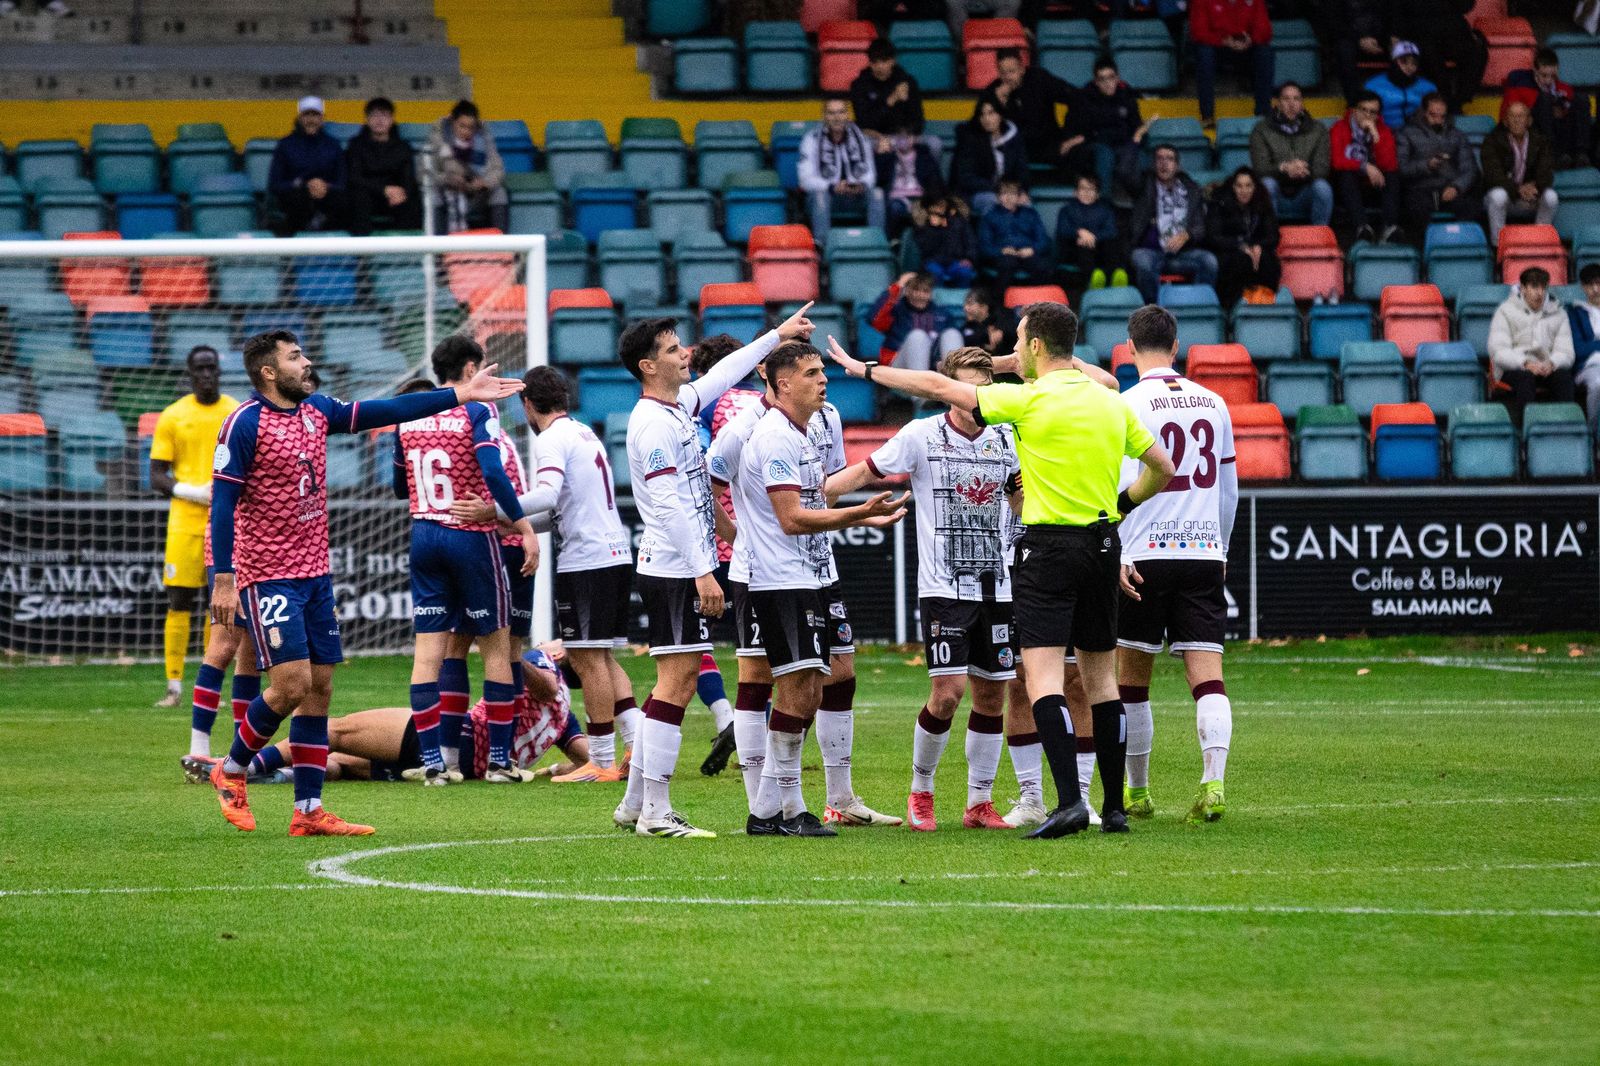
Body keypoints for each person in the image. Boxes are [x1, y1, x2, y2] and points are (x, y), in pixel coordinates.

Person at [826, 303, 1176, 837]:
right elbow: (1162, 465)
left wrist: (866, 370)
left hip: (1045, 551)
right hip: (1098, 544)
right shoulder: (1107, 401)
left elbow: (938, 388)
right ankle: (1112, 809)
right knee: (1099, 684)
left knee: (1040, 681)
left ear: (1034, 345)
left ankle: (1063, 802)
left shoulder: (1025, 405)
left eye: (1018, 341)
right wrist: (1123, 504)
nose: (1011, 350)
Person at [204, 329, 524, 836]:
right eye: (295, 357)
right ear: (269, 372)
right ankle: (232, 766)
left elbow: (385, 411)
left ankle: (309, 810)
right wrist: (224, 577)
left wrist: (461, 394)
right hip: (268, 575)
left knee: (320, 690)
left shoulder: (316, 411)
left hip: (316, 575)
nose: (306, 363)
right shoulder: (244, 422)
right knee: (291, 685)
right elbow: (222, 503)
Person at [614, 305, 816, 838]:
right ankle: (656, 812)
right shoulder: (652, 424)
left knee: (673, 681)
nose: (685, 353)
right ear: (647, 366)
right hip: (674, 567)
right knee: (678, 682)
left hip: (678, 564)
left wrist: (776, 336)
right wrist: (705, 570)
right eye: (671, 349)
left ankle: (635, 803)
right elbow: (668, 505)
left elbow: (725, 373)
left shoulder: (677, 406)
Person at [828, 347, 1024, 831]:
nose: (975, 397)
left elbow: (1021, 500)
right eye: (967, 388)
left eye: (984, 388)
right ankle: (922, 791)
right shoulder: (921, 435)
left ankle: (979, 802)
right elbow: (866, 470)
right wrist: (816, 496)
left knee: (992, 697)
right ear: (947, 390)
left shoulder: (1008, 437)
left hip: (998, 586)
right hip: (944, 587)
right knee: (947, 694)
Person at [706, 351, 902, 827]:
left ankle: (782, 807)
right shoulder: (768, 433)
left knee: (816, 684)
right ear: (781, 383)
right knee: (786, 686)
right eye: (812, 373)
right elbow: (790, 517)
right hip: (775, 577)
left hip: (809, 572)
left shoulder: (810, 427)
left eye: (822, 370)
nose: (824, 379)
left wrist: (857, 506)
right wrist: (860, 514)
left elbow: (816, 495)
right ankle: (778, 808)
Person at [457, 366, 638, 784]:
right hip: (612, 553)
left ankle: (601, 761)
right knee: (602, 657)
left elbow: (547, 495)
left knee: (588, 659)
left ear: (527, 405)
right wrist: (511, 524)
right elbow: (560, 509)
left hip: (587, 559)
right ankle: (637, 748)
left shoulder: (552, 438)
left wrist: (492, 510)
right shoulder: (583, 432)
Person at [391, 336, 537, 786]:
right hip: (469, 537)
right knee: (496, 646)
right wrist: (524, 527)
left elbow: (398, 486)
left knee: (428, 654)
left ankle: (434, 763)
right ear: (472, 367)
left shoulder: (409, 415)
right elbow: (492, 470)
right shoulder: (477, 410)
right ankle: (499, 762)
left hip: (423, 534)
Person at [1114, 305, 1238, 825]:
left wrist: (1117, 551)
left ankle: (1138, 791)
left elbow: (1117, 486)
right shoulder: (1214, 402)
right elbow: (1228, 490)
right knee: (1208, 679)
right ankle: (1214, 782)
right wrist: (1220, 549)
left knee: (1131, 680)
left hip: (1143, 552)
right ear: (1176, 345)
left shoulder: (1126, 404)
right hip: (1202, 551)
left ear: (1130, 347)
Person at [203, 646, 588, 784]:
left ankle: (237, 768)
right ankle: (279, 775)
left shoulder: (544, 662)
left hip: (455, 739)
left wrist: (513, 652)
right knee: (342, 762)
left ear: (559, 655)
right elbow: (589, 759)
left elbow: (545, 685)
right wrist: (554, 770)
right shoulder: (563, 718)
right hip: (471, 768)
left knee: (335, 730)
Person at [150, 346, 240, 708]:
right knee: (179, 601)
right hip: (185, 523)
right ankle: (173, 686)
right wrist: (192, 491)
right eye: (199, 369)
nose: (206, 374)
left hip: (225, 521)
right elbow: (156, 475)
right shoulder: (173, 415)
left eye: (211, 368)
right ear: (189, 374)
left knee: (217, 604)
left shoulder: (234, 411)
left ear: (219, 371)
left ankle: (209, 686)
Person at [1129, 144, 1217, 303]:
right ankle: (1153, 309)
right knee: (1142, 261)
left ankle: (1199, 306)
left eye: (1169, 159)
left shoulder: (1192, 189)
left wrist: (1187, 235)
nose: (1164, 163)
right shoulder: (1144, 186)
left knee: (1209, 261)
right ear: (1153, 164)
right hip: (1151, 251)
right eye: (1159, 159)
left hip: (1183, 253)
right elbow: (1124, 171)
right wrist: (1135, 142)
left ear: (1177, 165)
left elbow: (1200, 226)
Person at [1488, 267, 1576, 422]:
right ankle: (1526, 427)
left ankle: (1565, 425)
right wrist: (1525, 363)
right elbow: (1498, 351)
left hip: (1546, 367)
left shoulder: (1559, 313)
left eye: (1543, 287)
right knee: (1525, 379)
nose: (1540, 293)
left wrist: (1553, 363)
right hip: (1515, 367)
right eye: (1534, 287)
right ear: (1523, 288)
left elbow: (1566, 351)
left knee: (1563, 377)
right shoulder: (1505, 311)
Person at [798, 98, 884, 248]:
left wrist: (861, 185)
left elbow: (871, 175)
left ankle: (877, 244)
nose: (837, 117)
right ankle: (822, 246)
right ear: (824, 116)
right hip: (826, 197)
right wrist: (832, 187)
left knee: (877, 193)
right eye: (831, 113)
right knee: (820, 195)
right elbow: (805, 180)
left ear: (848, 115)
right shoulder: (811, 140)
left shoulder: (861, 139)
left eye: (841, 112)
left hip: (855, 196)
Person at [1397, 92, 1481, 243]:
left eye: (1442, 116)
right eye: (1433, 115)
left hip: (1449, 188)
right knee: (1415, 211)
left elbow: (1470, 168)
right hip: (1419, 189)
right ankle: (1428, 249)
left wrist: (1457, 187)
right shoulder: (1406, 133)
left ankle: (1458, 245)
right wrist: (1426, 165)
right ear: (1423, 112)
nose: (1438, 120)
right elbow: (1401, 168)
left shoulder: (1457, 135)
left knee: (1471, 206)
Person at [982, 48, 1078, 172]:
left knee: (1079, 152)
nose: (1008, 77)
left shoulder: (1040, 79)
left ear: (1022, 69)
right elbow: (983, 128)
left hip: (1049, 143)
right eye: (1003, 73)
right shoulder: (993, 91)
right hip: (1015, 149)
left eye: (1012, 71)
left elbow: (1074, 97)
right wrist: (998, 104)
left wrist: (1070, 135)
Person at [1250, 81, 1333, 226]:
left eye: (1296, 99)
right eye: (1286, 99)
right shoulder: (1261, 129)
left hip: (1306, 192)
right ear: (1277, 103)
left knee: (1322, 187)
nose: (1291, 104)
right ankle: (1270, 233)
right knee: (1267, 184)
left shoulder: (1318, 129)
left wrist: (1302, 170)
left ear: (1302, 104)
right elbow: (1260, 168)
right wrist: (1284, 168)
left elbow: (1322, 168)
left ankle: (1319, 234)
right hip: (1276, 191)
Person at [1502, 48, 1595, 170]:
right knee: (1544, 99)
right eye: (1544, 75)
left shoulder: (1564, 89)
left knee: (1581, 99)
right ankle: (1552, 155)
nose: (1548, 81)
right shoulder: (1519, 88)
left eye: (1553, 76)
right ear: (1535, 70)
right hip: (1536, 135)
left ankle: (1581, 154)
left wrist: (1563, 111)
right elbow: (1509, 117)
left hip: (1561, 135)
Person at [267, 96, 347, 235]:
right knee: (296, 199)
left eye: (315, 115)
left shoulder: (333, 145)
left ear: (322, 118)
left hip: (328, 199)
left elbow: (342, 182)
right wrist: (304, 185)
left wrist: (325, 186)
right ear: (299, 118)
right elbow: (275, 184)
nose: (311, 120)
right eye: (306, 115)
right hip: (296, 199)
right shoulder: (285, 145)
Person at [1481, 101, 1558, 245]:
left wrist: (1535, 186)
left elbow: (1546, 172)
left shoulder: (1541, 141)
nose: (1517, 120)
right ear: (1505, 121)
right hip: (1506, 196)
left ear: (1529, 121)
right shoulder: (1492, 141)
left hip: (1530, 196)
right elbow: (1493, 175)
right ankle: (1498, 246)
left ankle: (1540, 242)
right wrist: (1517, 189)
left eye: (1521, 116)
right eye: (1512, 116)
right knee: (1498, 196)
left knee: (1551, 197)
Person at [1189, 0, 1274, 128]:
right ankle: (1207, 115)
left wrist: (1251, 40)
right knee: (1204, 53)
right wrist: (1223, 41)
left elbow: (1265, 31)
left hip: (1245, 47)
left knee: (1265, 52)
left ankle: (1263, 114)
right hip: (1217, 47)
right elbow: (1198, 32)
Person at [1391, 1, 1486, 116]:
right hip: (1420, 32)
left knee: (1477, 51)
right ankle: (1445, 100)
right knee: (1429, 57)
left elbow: (1466, 6)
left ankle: (1459, 101)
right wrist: (1395, 33)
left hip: (1453, 31)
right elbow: (1397, 9)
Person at [1331, 91, 1400, 244]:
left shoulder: (1383, 131)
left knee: (1392, 175)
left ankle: (1389, 227)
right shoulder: (1339, 128)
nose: (1367, 115)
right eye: (1363, 109)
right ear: (1354, 110)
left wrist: (1376, 138)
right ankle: (1362, 227)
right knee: (1346, 174)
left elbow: (1389, 164)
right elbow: (1336, 161)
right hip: (1347, 187)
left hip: (1374, 185)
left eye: (1373, 112)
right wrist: (1364, 166)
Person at [345, 97, 421, 235]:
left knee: (411, 200)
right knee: (358, 197)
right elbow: (354, 177)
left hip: (394, 198)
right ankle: (361, 246)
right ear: (367, 119)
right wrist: (383, 189)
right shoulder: (356, 145)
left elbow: (408, 178)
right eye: (374, 115)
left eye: (384, 115)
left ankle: (405, 245)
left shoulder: (402, 147)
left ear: (392, 119)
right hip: (369, 195)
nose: (379, 120)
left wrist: (401, 193)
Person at [428, 99, 507, 234]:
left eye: (470, 127)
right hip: (449, 192)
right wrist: (448, 179)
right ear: (453, 122)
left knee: (499, 193)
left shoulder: (483, 137)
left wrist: (484, 183)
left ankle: (502, 243)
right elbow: (428, 174)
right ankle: (439, 244)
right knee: (434, 195)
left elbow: (498, 169)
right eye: (462, 126)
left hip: (475, 193)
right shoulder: (438, 138)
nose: (466, 131)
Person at [1206, 167, 1281, 308]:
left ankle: (1266, 304)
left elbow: (1274, 236)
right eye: (1239, 186)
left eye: (1248, 186)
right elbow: (1213, 237)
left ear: (1255, 187)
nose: (1244, 190)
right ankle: (1233, 308)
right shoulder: (1220, 203)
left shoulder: (1263, 203)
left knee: (1267, 260)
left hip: (1256, 250)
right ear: (1233, 187)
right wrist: (1240, 245)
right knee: (1241, 261)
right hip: (1228, 252)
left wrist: (1258, 246)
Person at [949, 97, 1027, 218]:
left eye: (991, 113)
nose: (986, 119)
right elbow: (966, 178)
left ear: (1000, 115)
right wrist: (1000, 190)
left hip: (1007, 190)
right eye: (982, 115)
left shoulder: (1013, 138)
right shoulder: (970, 139)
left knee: (1025, 204)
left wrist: (1019, 191)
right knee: (993, 202)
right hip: (976, 193)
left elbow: (1022, 171)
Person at [868, 271, 963, 370]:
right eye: (916, 290)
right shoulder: (895, 311)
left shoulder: (943, 314)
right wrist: (899, 285)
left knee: (952, 334)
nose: (920, 295)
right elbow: (874, 319)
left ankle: (955, 377)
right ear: (907, 291)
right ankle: (920, 380)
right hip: (898, 369)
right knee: (918, 336)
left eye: (925, 291)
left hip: (934, 368)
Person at [1055, 174, 1128, 291]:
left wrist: (1092, 236)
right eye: (1083, 188)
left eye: (1091, 189)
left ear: (1097, 194)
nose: (1087, 192)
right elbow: (1062, 230)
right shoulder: (1066, 210)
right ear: (1075, 192)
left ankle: (1117, 277)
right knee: (1084, 247)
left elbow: (1111, 231)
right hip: (1074, 250)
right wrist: (1079, 232)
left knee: (1112, 245)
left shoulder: (1105, 210)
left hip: (1099, 249)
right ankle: (1094, 281)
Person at [977, 179, 1052, 291]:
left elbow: (1043, 240)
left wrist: (1032, 250)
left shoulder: (1031, 214)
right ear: (998, 197)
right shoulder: (989, 217)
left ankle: (1036, 300)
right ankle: (1002, 301)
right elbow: (984, 247)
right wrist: (1002, 251)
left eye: (1012, 194)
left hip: (1027, 253)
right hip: (1004, 255)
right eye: (1004, 194)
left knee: (1042, 266)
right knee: (1008, 264)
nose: (1008, 198)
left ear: (1019, 197)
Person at [850, 38, 925, 146]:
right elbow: (865, 123)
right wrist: (891, 100)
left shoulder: (907, 82)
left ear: (893, 61)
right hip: (873, 138)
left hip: (902, 137)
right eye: (875, 62)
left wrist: (907, 134)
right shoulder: (859, 85)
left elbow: (918, 121)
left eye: (884, 61)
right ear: (869, 63)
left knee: (934, 144)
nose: (880, 66)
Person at [876, 125, 945, 233]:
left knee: (924, 211)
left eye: (907, 137)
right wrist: (882, 155)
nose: (904, 141)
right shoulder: (889, 157)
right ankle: (894, 239)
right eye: (900, 137)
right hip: (897, 197)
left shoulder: (924, 156)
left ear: (914, 139)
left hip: (918, 196)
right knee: (895, 208)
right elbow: (879, 179)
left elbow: (935, 180)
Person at [1322, 0, 1392, 105]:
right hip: (1351, 40)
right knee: (1343, 50)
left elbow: (1391, 16)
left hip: (1380, 39)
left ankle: (1395, 101)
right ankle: (1354, 104)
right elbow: (1335, 23)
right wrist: (1360, 39)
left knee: (1402, 48)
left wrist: (1385, 37)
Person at [1365, 42, 1437, 133]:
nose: (1409, 67)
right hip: (1383, 132)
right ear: (1394, 62)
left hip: (1417, 133)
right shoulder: (1373, 85)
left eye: (1414, 63)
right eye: (1404, 61)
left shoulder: (1428, 87)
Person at [907, 195, 977, 287]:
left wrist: (969, 258)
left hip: (956, 261)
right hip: (932, 261)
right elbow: (923, 248)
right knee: (935, 273)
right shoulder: (923, 225)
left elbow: (970, 242)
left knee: (964, 272)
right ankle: (935, 296)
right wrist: (935, 229)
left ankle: (963, 295)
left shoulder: (960, 223)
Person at [1565, 262, 1600, 433]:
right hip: (1588, 366)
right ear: (1583, 287)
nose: (1595, 289)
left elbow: (1587, 346)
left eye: (1598, 284)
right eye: (1590, 285)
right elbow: (1578, 350)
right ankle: (1594, 435)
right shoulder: (1575, 313)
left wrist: (1594, 344)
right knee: (1598, 383)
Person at [960, 284, 1017, 356]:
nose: (965, 308)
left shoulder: (1002, 319)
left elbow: (1014, 332)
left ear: (984, 306)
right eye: (965, 304)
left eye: (970, 304)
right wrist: (986, 336)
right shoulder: (968, 326)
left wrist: (1003, 334)